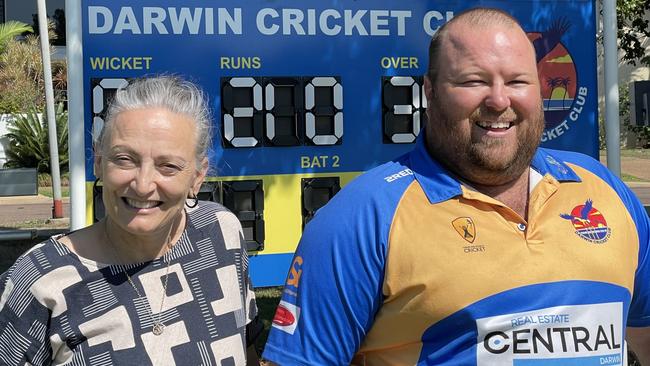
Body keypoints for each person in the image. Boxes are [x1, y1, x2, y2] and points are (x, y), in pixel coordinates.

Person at [262, 7, 650, 365]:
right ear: (429, 92)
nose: (499, 100)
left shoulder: (606, 191)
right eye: (473, 81)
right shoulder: (360, 218)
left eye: (517, 81)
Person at [0, 76, 259, 365]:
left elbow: (244, 345)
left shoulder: (221, 233)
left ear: (197, 178)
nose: (143, 184)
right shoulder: (40, 280)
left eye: (168, 166)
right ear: (98, 160)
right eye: (125, 159)